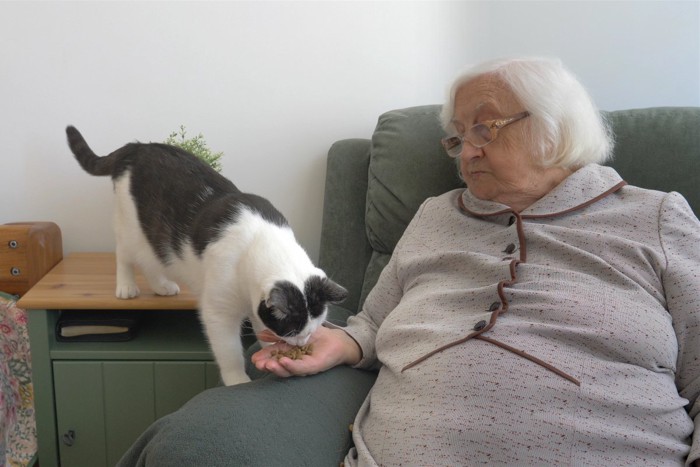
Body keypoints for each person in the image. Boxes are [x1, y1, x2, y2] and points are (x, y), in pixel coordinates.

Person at [120, 57, 700, 466]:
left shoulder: (653, 217)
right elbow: (373, 323)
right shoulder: (436, 215)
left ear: (554, 128)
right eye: (457, 136)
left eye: (485, 128)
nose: (465, 150)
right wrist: (340, 344)